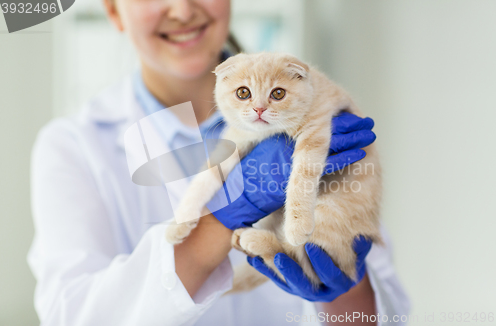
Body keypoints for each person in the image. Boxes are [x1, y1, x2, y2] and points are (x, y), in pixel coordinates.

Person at [28, 0, 410, 324]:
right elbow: (73, 312)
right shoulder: (72, 146)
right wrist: (223, 215)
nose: (181, 10)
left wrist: (345, 287)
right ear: (113, 10)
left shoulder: (313, 108)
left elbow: (382, 313)